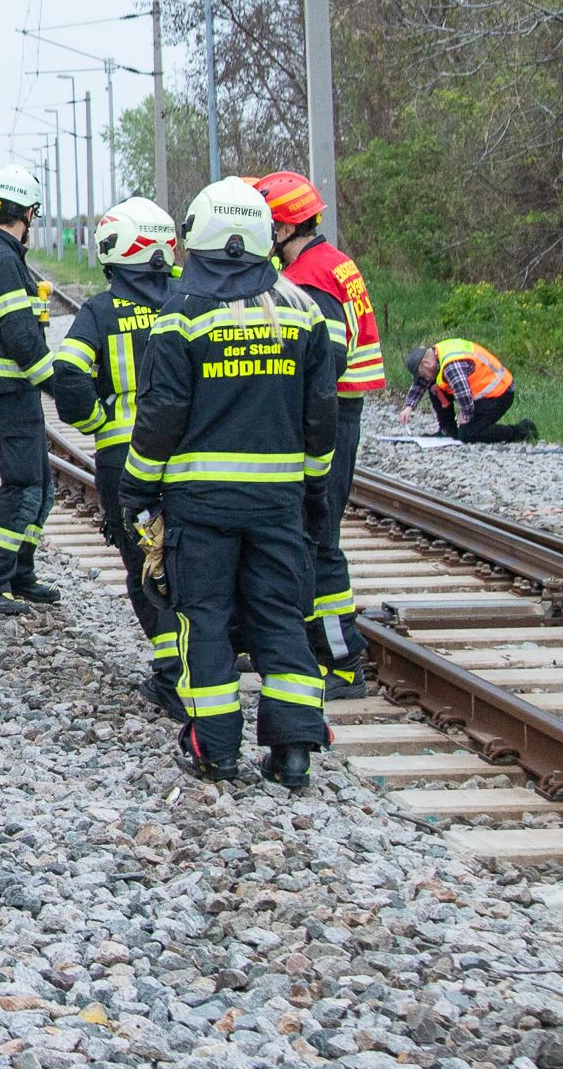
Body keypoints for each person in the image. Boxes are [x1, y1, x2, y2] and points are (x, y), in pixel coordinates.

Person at [126, 177, 341, 789]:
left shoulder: (181, 316)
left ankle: (215, 750)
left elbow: (161, 414)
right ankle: (293, 753)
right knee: (280, 617)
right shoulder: (302, 311)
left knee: (206, 621)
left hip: (202, 507)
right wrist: (315, 491)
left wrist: (137, 490)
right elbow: (321, 414)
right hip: (278, 503)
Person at [45, 196, 186, 723]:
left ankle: (171, 674)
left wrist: (96, 419)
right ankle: (203, 658)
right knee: (192, 560)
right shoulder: (191, 300)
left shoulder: (102, 311)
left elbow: (68, 374)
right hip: (187, 458)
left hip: (125, 457)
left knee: (145, 563)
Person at [254, 171, 386, 700]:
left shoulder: (309, 277)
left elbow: (325, 362)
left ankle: (343, 659)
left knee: (318, 540)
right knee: (314, 535)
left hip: (329, 417)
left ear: (286, 227)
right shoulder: (332, 262)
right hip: (340, 412)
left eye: (267, 225)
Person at [0, 164, 60, 615]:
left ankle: (20, 572)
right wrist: (57, 384)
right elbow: (20, 336)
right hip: (10, 386)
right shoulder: (4, 260)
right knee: (23, 486)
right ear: (28, 212)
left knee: (41, 485)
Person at [403, 339, 536, 443]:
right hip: (481, 394)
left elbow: (464, 394)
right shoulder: (436, 354)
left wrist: (466, 415)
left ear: (427, 364)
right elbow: (422, 383)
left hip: (500, 393)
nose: (424, 378)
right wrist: (409, 406)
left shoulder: (451, 366)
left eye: (422, 373)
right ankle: (447, 431)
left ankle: (521, 431)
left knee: (468, 435)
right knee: (434, 385)